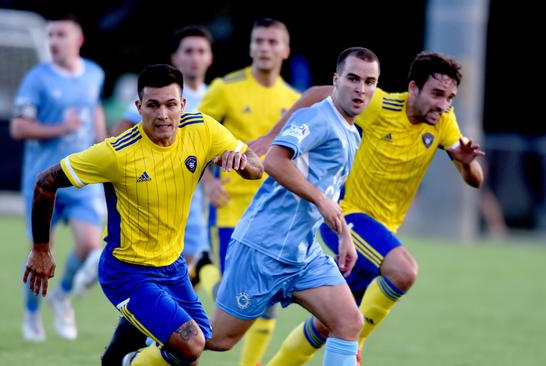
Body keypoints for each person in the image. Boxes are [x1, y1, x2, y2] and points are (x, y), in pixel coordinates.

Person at [23, 64, 264, 365]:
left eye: (170, 104)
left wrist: (242, 162)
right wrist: (41, 249)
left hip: (172, 267)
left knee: (201, 346)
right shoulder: (116, 154)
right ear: (138, 107)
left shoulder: (202, 129)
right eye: (153, 105)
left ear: (183, 105)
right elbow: (46, 181)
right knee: (190, 344)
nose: (162, 114)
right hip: (127, 271)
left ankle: (117, 358)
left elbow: (257, 165)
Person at [262, 51, 485, 365]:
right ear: (413, 88)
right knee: (404, 271)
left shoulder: (444, 121)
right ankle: (355, 345)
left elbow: (475, 179)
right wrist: (273, 136)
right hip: (347, 219)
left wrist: (466, 164)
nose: (443, 104)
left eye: (449, 97)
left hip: (380, 235)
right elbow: (315, 94)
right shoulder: (379, 105)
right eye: (436, 94)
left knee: (328, 324)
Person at [205, 47, 381, 366]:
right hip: (263, 247)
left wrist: (344, 236)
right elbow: (273, 160)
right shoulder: (317, 117)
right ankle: (142, 353)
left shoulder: (353, 134)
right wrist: (320, 199)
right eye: (353, 78)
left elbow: (328, 192)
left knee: (348, 322)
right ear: (336, 80)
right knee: (219, 340)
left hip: (303, 254)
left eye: (369, 82)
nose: (361, 88)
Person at [95, 25, 215, 365]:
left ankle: (121, 356)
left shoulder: (213, 97)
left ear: (210, 57)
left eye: (200, 51)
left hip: (189, 212)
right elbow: (115, 148)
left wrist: (214, 179)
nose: (194, 58)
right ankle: (125, 357)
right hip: (145, 219)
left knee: (188, 326)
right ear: (175, 57)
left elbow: (211, 150)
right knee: (175, 322)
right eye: (187, 51)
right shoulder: (154, 97)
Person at [194, 18, 300, 365]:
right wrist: (208, 182)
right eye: (259, 41)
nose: (264, 48)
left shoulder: (294, 100)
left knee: (264, 298)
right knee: (233, 295)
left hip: (271, 215)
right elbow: (193, 137)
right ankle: (203, 269)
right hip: (229, 208)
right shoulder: (226, 88)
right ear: (251, 46)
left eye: (272, 42)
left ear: (285, 49)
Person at [10, 14, 106, 342]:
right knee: (41, 252)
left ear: (78, 39)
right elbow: (19, 127)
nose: (53, 41)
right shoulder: (36, 79)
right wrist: (59, 129)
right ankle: (32, 313)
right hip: (43, 185)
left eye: (61, 34)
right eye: (50, 35)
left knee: (90, 245)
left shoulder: (94, 73)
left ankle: (63, 296)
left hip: (79, 180)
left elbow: (93, 108)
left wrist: (102, 142)